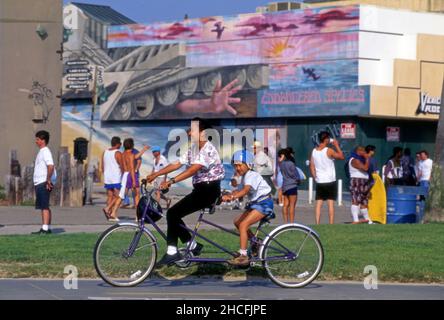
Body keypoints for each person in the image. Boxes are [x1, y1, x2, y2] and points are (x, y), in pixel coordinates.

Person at [146, 118, 224, 266]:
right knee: (174, 214)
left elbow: (193, 169)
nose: (188, 133)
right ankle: (192, 245)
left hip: (209, 190)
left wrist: (171, 181)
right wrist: (156, 174)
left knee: (173, 213)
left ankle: (172, 252)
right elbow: (177, 163)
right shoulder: (194, 148)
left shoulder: (208, 149)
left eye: (192, 130)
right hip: (201, 189)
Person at [222, 150, 275, 266]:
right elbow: (238, 190)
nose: (237, 168)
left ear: (249, 164)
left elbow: (245, 191)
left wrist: (232, 196)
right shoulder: (245, 176)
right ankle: (255, 242)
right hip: (256, 204)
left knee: (243, 225)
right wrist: (226, 195)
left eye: (240, 165)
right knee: (237, 222)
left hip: (264, 204)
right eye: (235, 166)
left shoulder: (252, 175)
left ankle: (243, 255)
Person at [309, 131, 345, 225]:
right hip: (330, 180)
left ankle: (317, 223)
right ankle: (331, 223)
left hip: (320, 181)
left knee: (318, 203)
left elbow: (311, 166)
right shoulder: (329, 150)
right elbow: (341, 156)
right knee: (330, 203)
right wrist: (336, 145)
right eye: (328, 138)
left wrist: (315, 177)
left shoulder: (314, 151)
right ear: (325, 139)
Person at [32, 131, 56, 234]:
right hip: (40, 182)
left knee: (44, 206)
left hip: (43, 182)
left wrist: (48, 179)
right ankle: (47, 227)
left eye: (37, 139)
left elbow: (50, 166)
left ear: (43, 140)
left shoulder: (45, 151)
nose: (36, 141)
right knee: (44, 206)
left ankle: (45, 229)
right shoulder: (42, 151)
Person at [348, 146, 372, 224]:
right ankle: (356, 220)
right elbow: (365, 168)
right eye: (364, 151)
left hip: (364, 181)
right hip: (356, 181)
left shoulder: (361, 159)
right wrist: (367, 158)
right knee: (356, 200)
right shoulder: (354, 160)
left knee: (364, 201)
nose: (365, 153)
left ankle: (368, 221)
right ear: (359, 151)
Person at [102, 136, 123, 219]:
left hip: (107, 177)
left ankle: (109, 214)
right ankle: (108, 209)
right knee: (118, 196)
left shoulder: (105, 152)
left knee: (110, 196)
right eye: (120, 143)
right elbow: (122, 165)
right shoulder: (118, 153)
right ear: (117, 144)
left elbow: (102, 166)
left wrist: (105, 174)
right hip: (116, 177)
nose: (121, 145)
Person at [278, 148, 300, 223]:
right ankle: (291, 222)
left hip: (285, 186)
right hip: (292, 186)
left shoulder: (282, 164)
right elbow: (295, 175)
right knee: (292, 205)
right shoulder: (291, 164)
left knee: (285, 205)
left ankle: (285, 222)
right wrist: (298, 180)